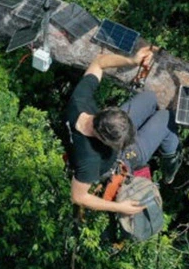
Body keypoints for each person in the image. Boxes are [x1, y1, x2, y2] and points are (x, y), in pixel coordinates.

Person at [65, 46, 182, 214]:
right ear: (104, 140)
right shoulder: (89, 162)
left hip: (113, 128)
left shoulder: (79, 102)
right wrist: (120, 207)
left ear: (106, 111)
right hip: (120, 160)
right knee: (166, 117)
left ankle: (157, 139)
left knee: (150, 98)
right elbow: (78, 197)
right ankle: (170, 168)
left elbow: (98, 62)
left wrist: (131, 60)